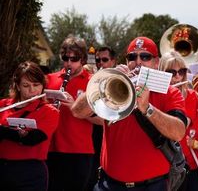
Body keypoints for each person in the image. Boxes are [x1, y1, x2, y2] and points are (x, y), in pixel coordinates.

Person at [72, 36, 187, 191]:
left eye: (145, 56)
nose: (138, 61)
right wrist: (103, 81)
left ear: (156, 62)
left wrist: (147, 108)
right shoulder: (110, 83)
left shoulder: (170, 92)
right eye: (132, 57)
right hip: (109, 184)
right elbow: (77, 112)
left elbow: (179, 132)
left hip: (151, 185)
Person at [46, 36, 96, 191]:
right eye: (65, 58)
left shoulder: (93, 82)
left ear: (83, 59)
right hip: (50, 149)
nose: (68, 63)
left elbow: (104, 120)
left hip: (79, 152)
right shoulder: (50, 79)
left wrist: (76, 108)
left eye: (74, 59)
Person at [159, 51, 198, 191]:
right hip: (161, 161)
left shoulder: (191, 96)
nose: (178, 76)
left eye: (182, 71)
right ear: (162, 73)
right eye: (171, 72)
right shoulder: (155, 96)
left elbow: (181, 127)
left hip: (185, 163)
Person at [0, 61, 59, 191]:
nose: (32, 90)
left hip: (30, 172)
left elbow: (31, 139)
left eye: (36, 85)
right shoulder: (3, 105)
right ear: (18, 86)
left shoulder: (49, 111)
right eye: (26, 85)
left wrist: (2, 130)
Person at [88, 46, 118, 191]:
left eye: (105, 60)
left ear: (113, 61)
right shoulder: (92, 80)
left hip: (110, 138)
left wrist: (87, 116)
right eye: (98, 60)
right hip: (92, 137)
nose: (101, 63)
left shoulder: (118, 80)